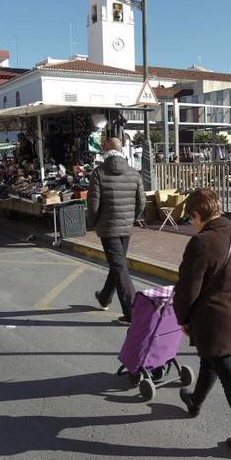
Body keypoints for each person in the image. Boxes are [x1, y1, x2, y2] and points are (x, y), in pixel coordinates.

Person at [174, 188, 231, 453]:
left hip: (214, 319)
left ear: (198, 215)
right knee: (209, 359)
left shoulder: (202, 242)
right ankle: (194, 400)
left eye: (191, 219)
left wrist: (183, 318)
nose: (192, 224)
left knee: (228, 371)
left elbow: (188, 287)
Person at [87, 137, 145, 325]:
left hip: (108, 227)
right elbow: (141, 202)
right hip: (126, 226)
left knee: (119, 266)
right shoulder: (134, 173)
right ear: (121, 150)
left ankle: (133, 311)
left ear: (106, 150)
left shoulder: (98, 173)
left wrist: (92, 222)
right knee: (118, 263)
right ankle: (104, 297)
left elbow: (93, 204)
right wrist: (131, 218)